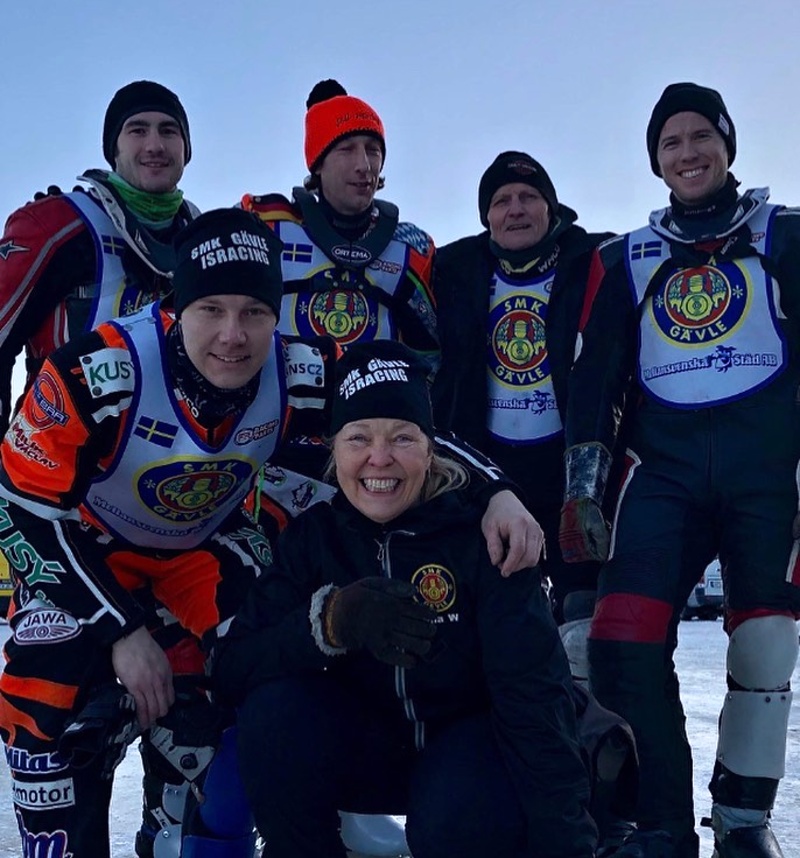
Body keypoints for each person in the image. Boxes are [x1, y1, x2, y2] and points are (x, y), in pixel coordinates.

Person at [0, 207, 333, 858]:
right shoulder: (98, 369)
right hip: (84, 550)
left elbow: (405, 417)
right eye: (211, 309)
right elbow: (18, 508)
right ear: (177, 307)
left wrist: (493, 494)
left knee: (262, 673)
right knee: (45, 696)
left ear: (277, 316)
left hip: (202, 551)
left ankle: (188, 827)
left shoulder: (303, 368)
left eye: (254, 312)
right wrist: (119, 630)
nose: (233, 336)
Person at [212, 339, 598, 858]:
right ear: (333, 448)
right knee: (273, 714)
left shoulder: (483, 538)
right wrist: (329, 624)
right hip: (362, 748)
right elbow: (233, 666)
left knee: (457, 818)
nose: (380, 458)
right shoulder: (313, 540)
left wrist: (566, 843)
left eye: (402, 437)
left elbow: (534, 697)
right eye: (358, 438)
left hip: (464, 754)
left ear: (431, 448)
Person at [559, 82, 800, 858]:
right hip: (662, 473)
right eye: (671, 142)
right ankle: (658, 822)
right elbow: (595, 379)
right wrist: (582, 487)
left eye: (702, 137)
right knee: (620, 639)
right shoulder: (626, 256)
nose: (688, 153)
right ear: (656, 161)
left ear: (728, 145)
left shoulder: (787, 234)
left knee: (765, 643)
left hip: (768, 472)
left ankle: (741, 821)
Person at [0, 79, 199, 855]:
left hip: (176, 524)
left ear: (187, 149)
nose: (154, 144)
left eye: (168, 131)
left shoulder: (206, 241)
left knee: (189, 725)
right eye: (137, 129)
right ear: (113, 146)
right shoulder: (60, 225)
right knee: (54, 728)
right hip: (62, 521)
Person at [432, 150, 614, 683]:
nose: (515, 209)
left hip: (569, 464)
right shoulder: (455, 268)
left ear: (551, 208)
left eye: (529, 197)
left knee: (581, 621)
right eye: (501, 200)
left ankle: (585, 718)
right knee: (496, 604)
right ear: (486, 216)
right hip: (489, 467)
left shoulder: (593, 257)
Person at [241, 79, 439, 377]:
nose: (364, 165)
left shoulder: (411, 247)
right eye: (346, 149)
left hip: (376, 404)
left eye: (373, 150)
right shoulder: (265, 226)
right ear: (318, 164)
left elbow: (432, 356)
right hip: (280, 401)